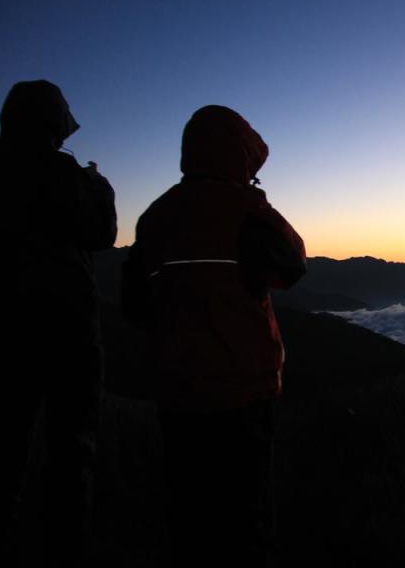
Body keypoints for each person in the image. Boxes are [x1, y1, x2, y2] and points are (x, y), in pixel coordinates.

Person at [121, 105, 306, 566]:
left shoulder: (155, 216)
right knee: (247, 517)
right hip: (246, 389)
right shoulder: (248, 209)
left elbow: (135, 304)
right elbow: (292, 265)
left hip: (178, 393)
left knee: (188, 514)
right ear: (241, 156)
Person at [0, 80, 117, 566]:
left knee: (3, 441)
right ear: (53, 121)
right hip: (65, 325)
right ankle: (64, 548)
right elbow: (99, 233)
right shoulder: (60, 170)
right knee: (72, 447)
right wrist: (99, 187)